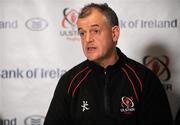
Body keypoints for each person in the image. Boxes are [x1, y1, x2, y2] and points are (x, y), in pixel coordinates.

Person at [43, 3, 173, 125]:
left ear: (114, 33)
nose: (87, 39)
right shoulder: (69, 82)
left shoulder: (144, 79)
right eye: (82, 33)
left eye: (95, 31)